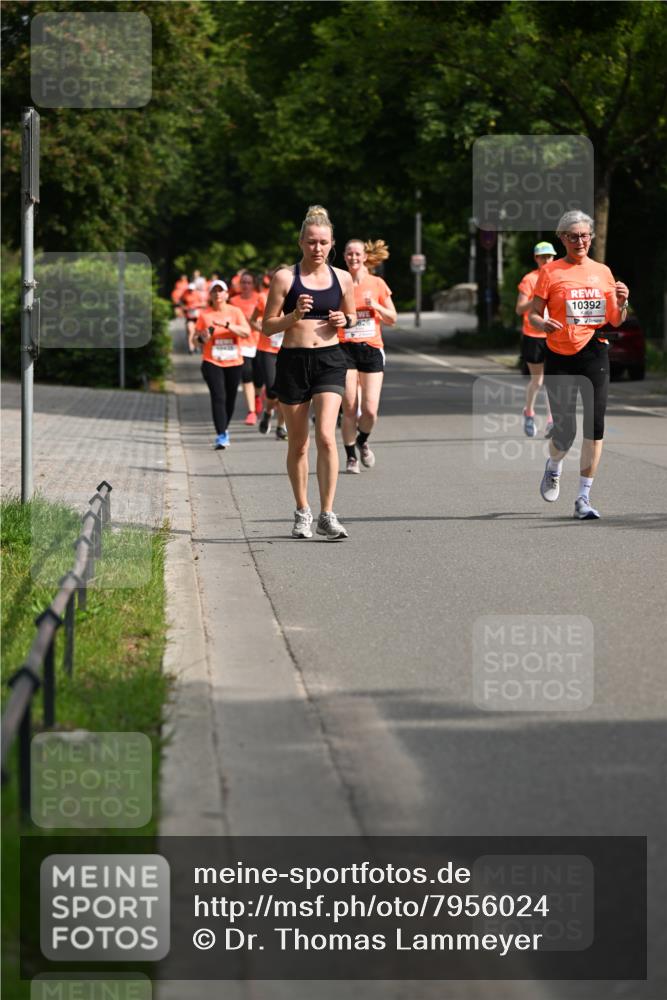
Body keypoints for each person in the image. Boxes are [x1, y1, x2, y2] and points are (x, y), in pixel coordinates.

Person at [262, 205, 356, 539]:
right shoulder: (285, 278)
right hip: (293, 361)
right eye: (312, 242)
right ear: (301, 242)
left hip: (330, 360)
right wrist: (294, 316)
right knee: (299, 444)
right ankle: (303, 511)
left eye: (324, 242)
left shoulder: (342, 278)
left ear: (332, 244)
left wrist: (345, 320)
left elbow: (351, 317)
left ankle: (327, 514)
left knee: (327, 436)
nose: (318, 248)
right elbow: (266, 326)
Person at [529, 211, 629, 520]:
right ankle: (554, 466)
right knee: (565, 432)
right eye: (573, 236)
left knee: (595, 426)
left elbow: (615, 320)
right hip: (560, 355)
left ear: (591, 237)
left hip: (594, 351)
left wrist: (623, 302)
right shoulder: (550, 272)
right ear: (562, 238)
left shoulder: (602, 272)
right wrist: (542, 323)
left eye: (584, 235)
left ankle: (583, 497)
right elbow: (533, 314)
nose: (580, 241)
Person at [340, 239, 397, 473]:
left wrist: (376, 306)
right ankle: (351, 457)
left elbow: (392, 318)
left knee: (370, 410)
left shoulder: (377, 283)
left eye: (357, 254)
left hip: (371, 348)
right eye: (349, 254)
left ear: (364, 257)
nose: (353, 258)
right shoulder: (339, 283)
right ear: (344, 256)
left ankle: (362, 440)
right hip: (344, 349)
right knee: (349, 407)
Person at [195, 280, 251, 449]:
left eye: (221, 291)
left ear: (227, 294)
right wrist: (202, 338)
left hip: (234, 361)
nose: (218, 294)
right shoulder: (205, 315)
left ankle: (224, 427)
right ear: (210, 295)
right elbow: (195, 340)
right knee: (218, 396)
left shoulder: (235, 312)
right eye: (214, 291)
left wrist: (227, 325)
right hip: (212, 361)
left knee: (230, 398)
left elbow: (246, 332)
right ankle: (221, 434)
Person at [515, 242, 556, 438]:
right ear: (536, 258)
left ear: (554, 257)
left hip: (553, 335)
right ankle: (529, 413)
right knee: (538, 381)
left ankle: (551, 420)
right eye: (542, 257)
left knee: (552, 381)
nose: (546, 260)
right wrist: (537, 298)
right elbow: (519, 309)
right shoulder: (530, 279)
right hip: (533, 335)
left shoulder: (558, 277)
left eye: (549, 256)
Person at [253, 267, 289, 440]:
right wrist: (263, 328)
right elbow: (253, 320)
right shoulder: (263, 297)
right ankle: (268, 411)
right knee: (273, 389)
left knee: (285, 390)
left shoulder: (296, 297)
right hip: (267, 350)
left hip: (288, 348)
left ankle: (281, 427)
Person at [230, 271, 264, 425]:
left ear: (254, 284)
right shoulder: (233, 301)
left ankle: (257, 396)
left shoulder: (260, 298)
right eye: (243, 282)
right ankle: (251, 412)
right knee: (246, 375)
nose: (245, 285)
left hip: (259, 342)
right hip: (241, 344)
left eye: (248, 282)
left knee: (259, 378)